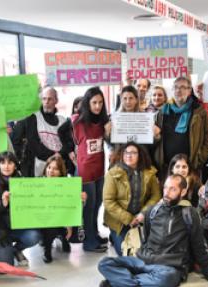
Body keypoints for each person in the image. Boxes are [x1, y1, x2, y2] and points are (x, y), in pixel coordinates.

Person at [97, 174, 208, 287]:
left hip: (169, 268)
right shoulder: (152, 211)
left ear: (183, 192)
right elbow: (147, 238)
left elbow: (198, 245)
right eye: (166, 188)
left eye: (173, 189)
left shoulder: (190, 214)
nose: (166, 192)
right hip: (143, 260)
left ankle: (118, 283)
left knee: (166, 279)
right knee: (104, 264)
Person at [0, 152, 40, 266]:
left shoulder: (22, 182)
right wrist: (2, 204)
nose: (6, 166)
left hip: (16, 227)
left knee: (34, 236)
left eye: (10, 163)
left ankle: (16, 250)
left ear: (15, 165)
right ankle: (5, 250)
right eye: (3, 162)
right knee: (5, 265)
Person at [103, 142, 161, 256]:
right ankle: (114, 236)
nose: (129, 155)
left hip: (141, 219)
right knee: (127, 252)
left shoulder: (150, 172)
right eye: (126, 152)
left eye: (133, 153)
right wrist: (129, 219)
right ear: (122, 154)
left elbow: (156, 196)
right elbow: (108, 201)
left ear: (140, 155)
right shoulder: (113, 173)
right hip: (120, 222)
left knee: (147, 250)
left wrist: (143, 214)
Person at [72, 87, 111, 252]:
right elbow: (64, 135)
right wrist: (69, 153)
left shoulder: (103, 121)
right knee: (89, 207)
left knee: (97, 205)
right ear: (87, 103)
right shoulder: (77, 121)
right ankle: (88, 242)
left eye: (100, 102)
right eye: (94, 102)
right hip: (85, 172)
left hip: (99, 170)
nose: (97, 106)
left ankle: (94, 234)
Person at [154, 76, 208, 178]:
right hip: (167, 167)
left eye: (183, 87)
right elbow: (155, 138)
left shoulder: (199, 112)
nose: (179, 90)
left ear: (189, 90)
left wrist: (201, 157)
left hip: (191, 167)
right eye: (176, 87)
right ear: (172, 90)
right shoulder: (162, 112)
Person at [12, 87, 74, 177]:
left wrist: (59, 155)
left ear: (56, 100)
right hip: (36, 168)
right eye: (44, 99)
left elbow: (69, 143)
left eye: (50, 99)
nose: (46, 102)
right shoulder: (32, 118)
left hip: (58, 169)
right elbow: (30, 142)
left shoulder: (63, 121)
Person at [39, 155, 83, 263]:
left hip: (61, 217)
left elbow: (70, 208)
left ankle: (64, 236)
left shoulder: (67, 185)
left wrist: (69, 225)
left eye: (55, 169)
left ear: (61, 172)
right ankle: (47, 250)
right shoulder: (38, 184)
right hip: (44, 219)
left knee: (76, 234)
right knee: (50, 229)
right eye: (49, 167)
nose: (51, 171)